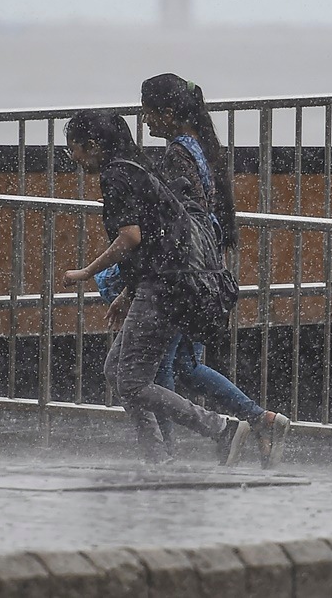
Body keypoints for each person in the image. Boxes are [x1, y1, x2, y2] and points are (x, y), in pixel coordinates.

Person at [60, 109, 250, 466]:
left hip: (164, 288)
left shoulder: (116, 175)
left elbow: (131, 237)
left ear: (93, 145)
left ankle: (221, 428)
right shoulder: (138, 167)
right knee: (116, 371)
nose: (74, 158)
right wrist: (127, 293)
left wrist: (87, 271)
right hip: (169, 283)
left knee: (132, 381)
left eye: (74, 149)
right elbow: (156, 240)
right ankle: (157, 457)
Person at [139, 72, 291, 468]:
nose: (145, 120)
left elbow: (177, 219)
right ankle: (260, 420)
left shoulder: (178, 154)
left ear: (167, 112)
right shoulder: (200, 148)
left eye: (148, 111)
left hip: (184, 273)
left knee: (160, 368)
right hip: (203, 271)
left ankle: (165, 452)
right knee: (186, 366)